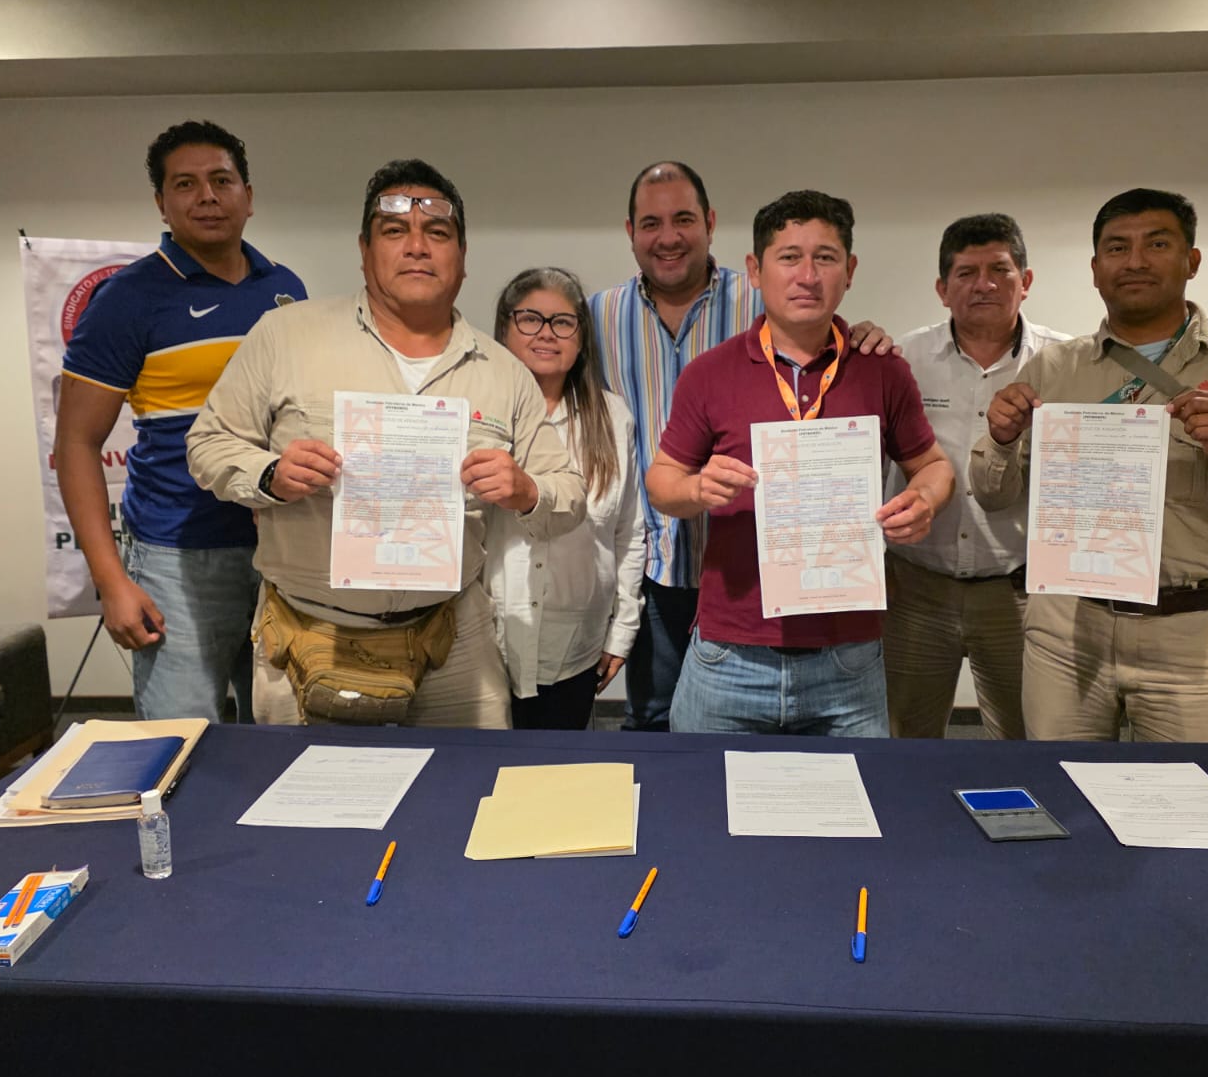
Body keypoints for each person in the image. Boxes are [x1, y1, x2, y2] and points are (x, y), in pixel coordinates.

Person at [185, 158, 585, 729]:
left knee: (466, 782)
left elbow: (568, 492)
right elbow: (209, 443)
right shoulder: (287, 337)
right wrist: (270, 474)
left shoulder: (502, 372)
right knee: (310, 787)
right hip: (309, 634)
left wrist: (525, 491)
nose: (417, 247)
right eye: (395, 231)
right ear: (364, 250)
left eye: (437, 233)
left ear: (462, 257)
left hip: (453, 639)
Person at [971, 187, 1208, 743]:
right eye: (1117, 248)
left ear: (1192, 260)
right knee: (1060, 785)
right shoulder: (1056, 366)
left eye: (1158, 244)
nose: (1135, 261)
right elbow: (992, 495)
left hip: (1197, 634)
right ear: (1096, 270)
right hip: (1067, 631)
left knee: (1196, 792)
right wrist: (1000, 440)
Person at [590, 160, 890, 732]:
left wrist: (867, 336)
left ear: (710, 223)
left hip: (760, 566)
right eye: (651, 223)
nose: (668, 237)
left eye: (683, 219)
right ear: (630, 232)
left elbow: (824, 339)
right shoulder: (598, 316)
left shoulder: (764, 296)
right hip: (653, 562)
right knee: (654, 728)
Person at [646, 190, 953, 737]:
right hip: (730, 656)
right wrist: (696, 490)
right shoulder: (709, 374)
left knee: (856, 794)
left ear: (849, 271)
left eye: (825, 258)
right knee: (704, 792)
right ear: (755, 270)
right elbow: (661, 482)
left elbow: (933, 465)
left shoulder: (882, 370)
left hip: (847, 659)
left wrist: (925, 499)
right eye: (789, 257)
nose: (807, 276)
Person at [56, 119, 306, 723]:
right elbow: (76, 444)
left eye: (222, 180)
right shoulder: (127, 298)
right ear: (161, 204)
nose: (207, 196)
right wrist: (112, 582)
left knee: (284, 737)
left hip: (283, 550)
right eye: (185, 184)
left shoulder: (285, 288)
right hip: (179, 557)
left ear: (248, 195)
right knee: (183, 741)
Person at [883, 214, 1068, 739]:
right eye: (966, 273)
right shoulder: (902, 359)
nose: (983, 284)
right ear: (942, 290)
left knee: (1025, 739)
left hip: (1019, 592)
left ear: (1025, 281)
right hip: (916, 589)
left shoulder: (1064, 363)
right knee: (905, 740)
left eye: (999, 270)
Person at [486, 268, 645, 730]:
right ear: (505, 329)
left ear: (581, 338)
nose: (546, 334)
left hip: (574, 647)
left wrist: (622, 631)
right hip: (485, 644)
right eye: (529, 319)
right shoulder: (478, 413)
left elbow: (628, 533)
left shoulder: (612, 418)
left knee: (558, 768)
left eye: (562, 322)